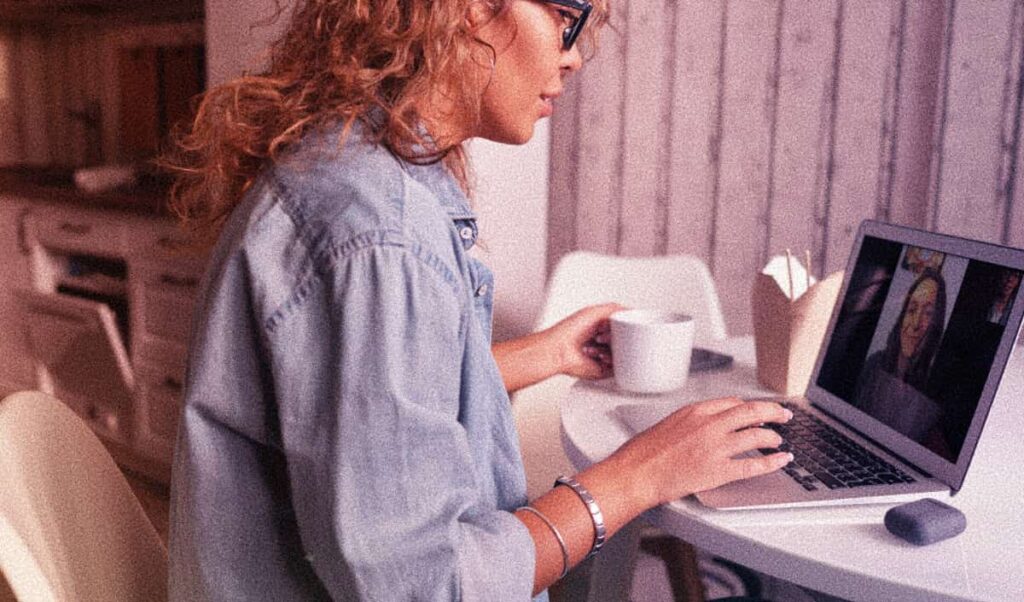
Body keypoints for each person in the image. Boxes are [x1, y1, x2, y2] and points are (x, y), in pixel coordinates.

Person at [161, 1, 793, 599]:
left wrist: (545, 354)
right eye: (566, 19)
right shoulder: (384, 236)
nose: (572, 58)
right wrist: (638, 477)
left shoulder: (352, 172)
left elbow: (357, 413)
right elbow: (428, 587)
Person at [854, 269, 946, 442]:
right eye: (911, 309)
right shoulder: (874, 364)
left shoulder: (933, 394)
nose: (915, 323)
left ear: (937, 324)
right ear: (903, 315)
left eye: (928, 313)